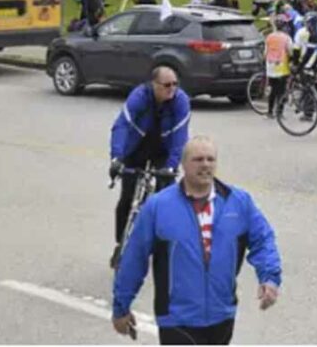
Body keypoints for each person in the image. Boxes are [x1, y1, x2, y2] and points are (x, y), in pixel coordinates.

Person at [112, 136, 281, 345]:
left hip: (222, 315)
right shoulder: (158, 207)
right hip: (176, 320)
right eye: (198, 159)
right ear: (183, 164)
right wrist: (121, 306)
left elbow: (263, 240)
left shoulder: (238, 202)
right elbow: (134, 258)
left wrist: (269, 277)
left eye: (210, 159)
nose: (205, 165)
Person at [108, 66, 191, 269]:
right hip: (137, 146)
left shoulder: (180, 101)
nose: (172, 88)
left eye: (175, 84)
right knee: (127, 196)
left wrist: (171, 166)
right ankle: (121, 243)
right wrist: (116, 158)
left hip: (163, 149)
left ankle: (166, 246)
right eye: (166, 85)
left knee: (168, 198)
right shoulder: (139, 96)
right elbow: (122, 125)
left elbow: (180, 137)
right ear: (154, 85)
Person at [264, 15, 295, 118]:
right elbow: (290, 52)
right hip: (281, 66)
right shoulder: (287, 38)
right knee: (281, 90)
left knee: (273, 89)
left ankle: (269, 111)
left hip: (270, 66)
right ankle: (279, 112)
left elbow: (265, 52)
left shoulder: (269, 37)